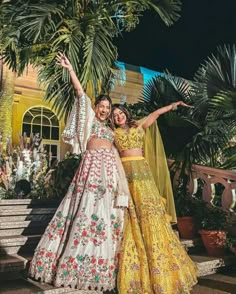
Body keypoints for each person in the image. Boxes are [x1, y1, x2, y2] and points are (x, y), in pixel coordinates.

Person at [29, 53, 130, 291]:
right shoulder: (90, 122)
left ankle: (106, 266)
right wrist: (71, 69)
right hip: (91, 170)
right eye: (102, 106)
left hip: (110, 173)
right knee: (85, 208)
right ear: (96, 108)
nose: (105, 110)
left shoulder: (112, 129)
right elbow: (80, 94)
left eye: (108, 107)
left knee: (109, 213)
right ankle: (74, 263)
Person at [112, 103, 198, 294]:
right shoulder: (111, 133)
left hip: (143, 175)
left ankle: (159, 260)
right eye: (115, 115)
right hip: (126, 178)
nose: (118, 117)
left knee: (151, 214)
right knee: (133, 217)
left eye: (120, 113)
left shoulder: (138, 126)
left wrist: (174, 105)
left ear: (126, 113)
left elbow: (155, 113)